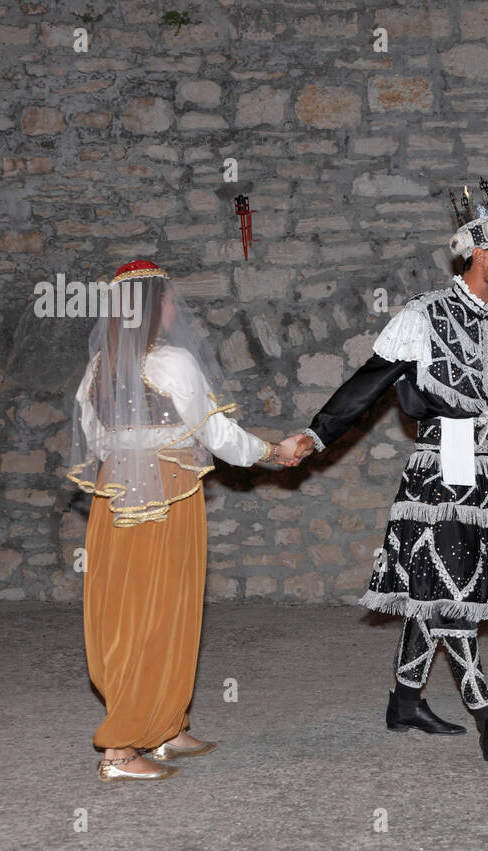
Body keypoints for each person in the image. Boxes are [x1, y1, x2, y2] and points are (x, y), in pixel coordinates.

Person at [288, 182, 488, 761]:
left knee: (438, 586)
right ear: (479, 255)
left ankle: (404, 701)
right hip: (437, 473)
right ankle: (484, 709)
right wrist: (316, 433)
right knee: (448, 590)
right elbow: (370, 382)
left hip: (485, 474)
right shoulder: (423, 315)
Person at [67, 260, 302, 781]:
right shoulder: (171, 362)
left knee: (138, 608)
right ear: (153, 307)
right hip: (168, 497)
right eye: (169, 299)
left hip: (116, 498)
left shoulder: (98, 369)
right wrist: (275, 449)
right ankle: (122, 751)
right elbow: (219, 437)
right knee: (152, 614)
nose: (176, 308)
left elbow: (97, 441)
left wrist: (138, 447)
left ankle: (166, 727)